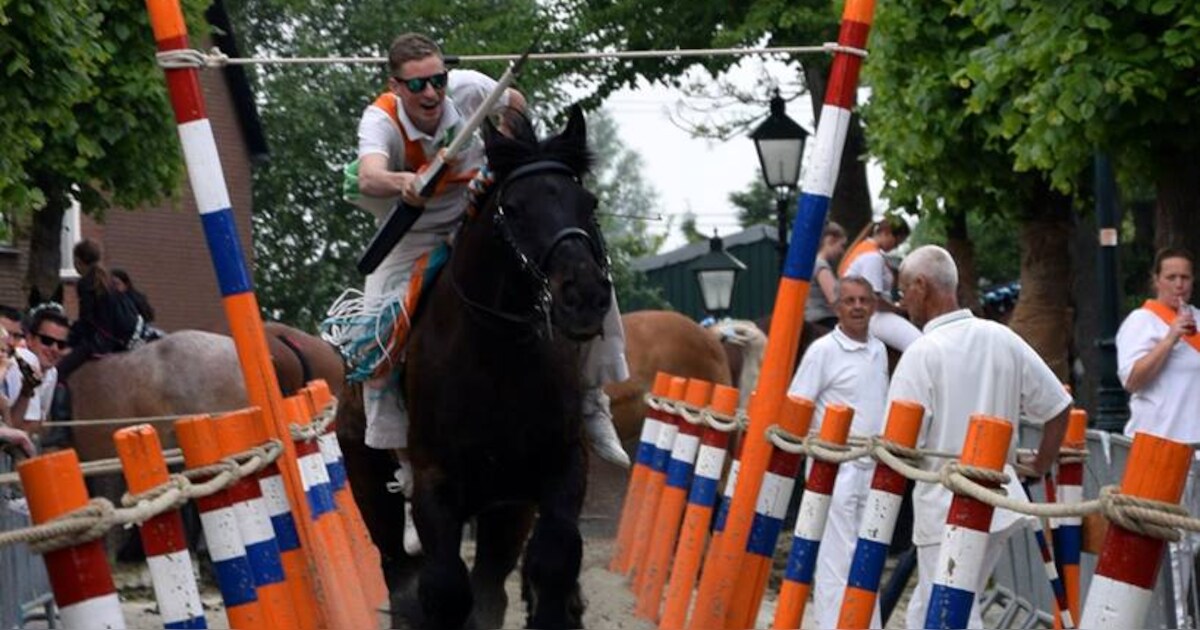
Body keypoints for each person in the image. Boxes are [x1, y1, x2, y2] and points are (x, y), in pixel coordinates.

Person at [326, 33, 630, 548]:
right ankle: (404, 469)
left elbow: (515, 103)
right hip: (413, 229)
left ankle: (593, 403)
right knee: (379, 332)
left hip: (475, 210)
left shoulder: (471, 90)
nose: (431, 93)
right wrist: (406, 182)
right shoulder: (379, 120)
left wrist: (508, 139)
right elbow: (371, 175)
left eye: (438, 79)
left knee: (586, 272)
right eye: (418, 84)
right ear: (395, 85)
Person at [888, 245, 1070, 629]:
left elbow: (899, 445)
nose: (902, 302)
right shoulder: (1000, 337)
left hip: (945, 506)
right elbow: (1059, 407)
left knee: (947, 610)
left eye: (904, 291)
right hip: (998, 500)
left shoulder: (922, 354)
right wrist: (1039, 463)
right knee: (930, 609)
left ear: (921, 286)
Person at [788, 275, 889, 629]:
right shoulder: (822, 352)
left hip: (874, 469)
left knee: (868, 555)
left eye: (864, 300)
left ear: (874, 305)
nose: (858, 306)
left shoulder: (878, 351)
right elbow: (797, 405)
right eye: (850, 301)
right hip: (834, 469)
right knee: (835, 557)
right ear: (837, 308)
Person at [1116, 246, 1200, 626]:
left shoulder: (1198, 319)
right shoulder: (1141, 321)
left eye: (1185, 277)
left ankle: (1177, 618)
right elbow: (1133, 380)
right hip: (1158, 450)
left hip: (1194, 450)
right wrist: (1169, 339)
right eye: (1172, 277)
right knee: (1165, 543)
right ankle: (1165, 621)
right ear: (1156, 280)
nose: (1179, 285)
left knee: (1190, 542)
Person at [55, 240, 142, 381]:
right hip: (121, 338)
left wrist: (69, 339)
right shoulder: (109, 280)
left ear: (78, 261)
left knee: (58, 371)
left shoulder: (86, 283)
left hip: (99, 341)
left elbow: (86, 321)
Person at [841, 216, 922, 352]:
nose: (896, 247)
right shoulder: (872, 257)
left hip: (862, 313)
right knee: (920, 344)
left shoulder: (863, 249)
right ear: (887, 233)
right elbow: (874, 300)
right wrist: (899, 310)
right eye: (896, 242)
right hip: (872, 317)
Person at [804, 221, 847, 330]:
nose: (842, 251)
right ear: (830, 240)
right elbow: (834, 300)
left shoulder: (812, 263)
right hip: (824, 322)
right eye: (841, 245)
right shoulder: (821, 266)